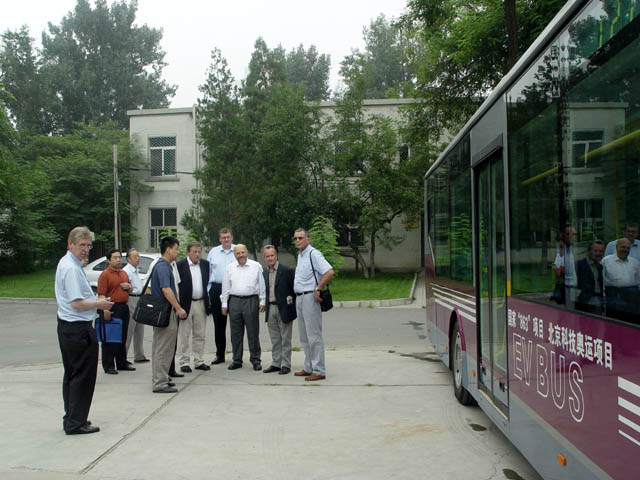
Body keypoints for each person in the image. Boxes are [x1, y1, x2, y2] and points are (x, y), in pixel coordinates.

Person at [56, 226, 113, 435]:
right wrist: (99, 304)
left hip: (70, 326)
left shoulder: (70, 264)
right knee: (82, 376)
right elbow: (76, 303)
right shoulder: (71, 268)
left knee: (73, 374)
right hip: (77, 328)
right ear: (70, 244)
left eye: (88, 245)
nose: (85, 249)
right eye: (81, 245)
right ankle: (75, 422)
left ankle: (73, 416)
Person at [293, 228, 334, 381]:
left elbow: (329, 272)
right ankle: (309, 367)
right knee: (304, 336)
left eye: (301, 238)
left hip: (310, 297)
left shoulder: (313, 254)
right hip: (300, 297)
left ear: (308, 239)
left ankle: (319, 370)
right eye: (295, 238)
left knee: (314, 336)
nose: (298, 240)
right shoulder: (300, 255)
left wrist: (318, 288)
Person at [220, 244, 265, 371]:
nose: (241, 255)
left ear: (247, 252)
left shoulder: (256, 266)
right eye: (238, 253)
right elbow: (226, 287)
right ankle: (237, 360)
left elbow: (262, 285)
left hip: (251, 300)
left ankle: (255, 360)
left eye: (242, 252)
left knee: (253, 332)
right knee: (235, 333)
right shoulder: (229, 268)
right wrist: (224, 304)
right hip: (234, 301)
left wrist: (262, 301)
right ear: (234, 254)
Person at [151, 236, 187, 393]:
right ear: (168, 249)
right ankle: (160, 383)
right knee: (163, 348)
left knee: (160, 347)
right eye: (176, 249)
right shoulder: (163, 267)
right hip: (165, 312)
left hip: (162, 311)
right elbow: (166, 289)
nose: (178, 252)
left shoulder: (162, 265)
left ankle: (162, 378)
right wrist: (178, 308)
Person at [97, 249, 135, 374]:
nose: (118, 260)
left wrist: (129, 287)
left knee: (122, 336)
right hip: (112, 307)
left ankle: (121, 362)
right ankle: (108, 365)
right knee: (110, 337)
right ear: (109, 260)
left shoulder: (123, 273)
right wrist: (105, 310)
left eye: (119, 257)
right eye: (115, 258)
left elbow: (130, 289)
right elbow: (101, 294)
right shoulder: (105, 275)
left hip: (123, 307)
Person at [176, 241, 211, 372]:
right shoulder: (180, 265)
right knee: (185, 334)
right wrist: (178, 306)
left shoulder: (205, 264)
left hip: (201, 302)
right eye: (194, 252)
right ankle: (184, 361)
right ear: (188, 253)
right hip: (186, 304)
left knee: (200, 334)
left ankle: (198, 360)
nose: (197, 254)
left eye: (199, 252)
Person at [262, 245, 297, 375]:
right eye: (267, 256)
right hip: (270, 307)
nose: (270, 258)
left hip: (284, 308)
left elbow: (294, 290)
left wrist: (291, 307)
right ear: (265, 258)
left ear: (276, 256)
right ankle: (276, 363)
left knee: (285, 338)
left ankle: (286, 364)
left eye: (272, 255)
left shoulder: (286, 270)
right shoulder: (264, 273)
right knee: (275, 338)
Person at [207, 228, 236, 365]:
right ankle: (220, 355)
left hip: (234, 289)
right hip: (217, 289)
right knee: (219, 324)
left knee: (236, 324)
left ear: (232, 237)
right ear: (219, 239)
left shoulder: (238, 250)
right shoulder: (213, 252)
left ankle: (237, 355)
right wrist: (209, 291)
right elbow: (208, 273)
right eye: (223, 237)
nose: (226, 239)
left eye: (228, 237)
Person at [602, 238, 640, 322]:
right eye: (623, 247)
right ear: (616, 247)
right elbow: (602, 281)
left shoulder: (635, 263)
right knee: (614, 323)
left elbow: (638, 281)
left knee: (632, 323)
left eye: (627, 248)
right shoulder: (606, 261)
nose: (625, 250)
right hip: (613, 296)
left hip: (632, 298)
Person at [123, 248, 148, 363]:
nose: (138, 259)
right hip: (131, 298)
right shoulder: (126, 271)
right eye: (135, 257)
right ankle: (123, 356)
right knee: (130, 328)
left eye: (138, 256)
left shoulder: (136, 270)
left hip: (139, 299)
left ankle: (139, 355)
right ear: (128, 259)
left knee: (139, 329)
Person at [551, 225, 577, 307]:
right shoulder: (562, 251)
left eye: (574, 234)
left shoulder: (571, 249)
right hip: (567, 289)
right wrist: (561, 270)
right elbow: (557, 270)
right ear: (565, 236)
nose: (573, 237)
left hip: (573, 288)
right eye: (570, 234)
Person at [576, 240, 605, 314]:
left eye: (601, 251)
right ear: (588, 252)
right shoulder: (579, 265)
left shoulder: (600, 267)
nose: (598, 253)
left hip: (598, 300)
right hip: (585, 303)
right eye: (595, 251)